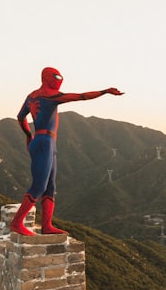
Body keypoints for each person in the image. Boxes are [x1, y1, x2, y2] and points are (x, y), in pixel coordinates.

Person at [11, 67, 124, 236]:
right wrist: (105, 91)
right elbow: (81, 96)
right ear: (48, 77)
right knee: (40, 185)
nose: (60, 79)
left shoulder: (31, 96)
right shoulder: (51, 95)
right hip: (45, 142)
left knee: (50, 186)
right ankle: (16, 223)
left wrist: (28, 135)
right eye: (57, 76)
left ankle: (47, 225)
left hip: (42, 141)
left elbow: (21, 117)